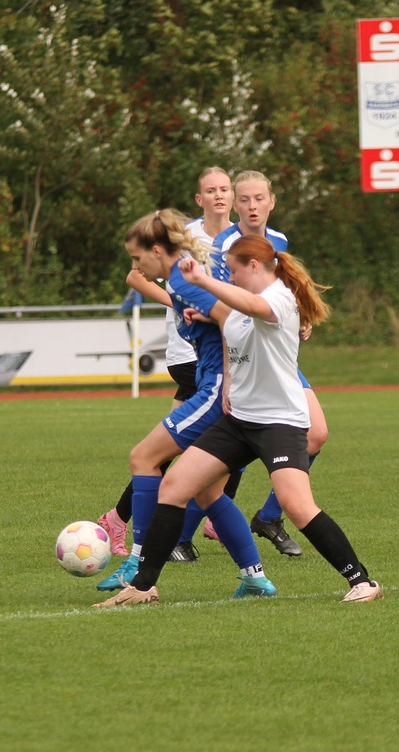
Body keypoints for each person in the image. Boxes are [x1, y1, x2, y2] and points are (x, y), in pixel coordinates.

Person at [96, 234, 382, 606]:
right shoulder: (243, 302)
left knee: (296, 506)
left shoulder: (280, 298)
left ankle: (362, 581)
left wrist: (201, 280)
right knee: (175, 486)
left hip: (279, 422)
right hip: (239, 421)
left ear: (253, 266)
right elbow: (230, 329)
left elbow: (250, 305)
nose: (229, 278)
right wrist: (225, 374)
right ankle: (143, 586)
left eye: (233, 271)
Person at [92, 210, 273, 599]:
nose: (136, 267)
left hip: (214, 389)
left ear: (158, 251)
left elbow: (232, 318)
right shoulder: (186, 275)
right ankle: (254, 576)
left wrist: (228, 381)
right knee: (207, 493)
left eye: (139, 259)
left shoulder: (183, 280)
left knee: (144, 457)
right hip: (221, 386)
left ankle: (137, 564)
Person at [210, 170, 322, 557]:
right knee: (232, 446)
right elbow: (224, 305)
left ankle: (267, 517)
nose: (252, 206)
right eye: (244, 199)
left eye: (260, 198)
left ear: (272, 202)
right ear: (234, 205)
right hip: (240, 354)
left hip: (272, 352)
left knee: (316, 435)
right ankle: (191, 527)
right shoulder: (224, 246)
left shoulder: (278, 242)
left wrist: (301, 318)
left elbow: (283, 295)